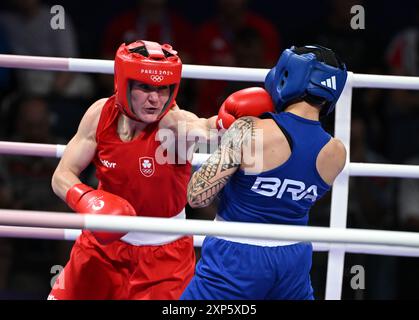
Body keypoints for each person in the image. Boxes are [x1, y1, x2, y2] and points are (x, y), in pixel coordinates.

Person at [48, 39, 272, 300]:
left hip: (163, 259)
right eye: (144, 87)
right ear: (123, 84)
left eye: (164, 89)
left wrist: (230, 125)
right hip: (100, 247)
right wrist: (87, 199)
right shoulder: (100, 114)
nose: (155, 99)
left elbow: (203, 128)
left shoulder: (173, 124)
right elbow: (61, 175)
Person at [181, 45, 348, 300]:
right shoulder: (337, 152)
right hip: (294, 257)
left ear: (287, 75)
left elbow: (197, 196)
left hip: (236, 255)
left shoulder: (249, 129)